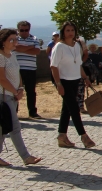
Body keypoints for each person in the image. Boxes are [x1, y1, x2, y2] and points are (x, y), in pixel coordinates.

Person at [0, 28, 42, 167]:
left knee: (4, 126)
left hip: (12, 94)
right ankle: (26, 157)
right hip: (3, 95)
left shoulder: (12, 55)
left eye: (15, 39)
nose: (14, 42)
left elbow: (18, 73)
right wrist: (14, 91)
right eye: (11, 40)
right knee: (14, 126)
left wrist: (21, 88)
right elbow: (2, 78)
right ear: (3, 42)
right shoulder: (0, 56)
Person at [50, 21, 95, 149]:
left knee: (67, 109)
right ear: (63, 32)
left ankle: (62, 136)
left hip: (75, 80)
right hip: (63, 81)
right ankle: (84, 136)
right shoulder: (59, 47)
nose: (70, 33)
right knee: (74, 109)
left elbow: (78, 63)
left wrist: (85, 77)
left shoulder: (77, 45)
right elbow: (53, 66)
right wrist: (58, 84)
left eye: (72, 30)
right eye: (67, 30)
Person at [15, 21, 41, 119]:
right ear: (18, 30)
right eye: (22, 30)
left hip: (31, 69)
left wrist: (22, 48)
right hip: (17, 69)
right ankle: (15, 112)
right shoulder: (15, 39)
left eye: (26, 30)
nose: (24, 32)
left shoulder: (34, 38)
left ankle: (32, 112)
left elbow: (37, 51)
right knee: (16, 91)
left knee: (31, 91)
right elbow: (16, 48)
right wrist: (30, 47)